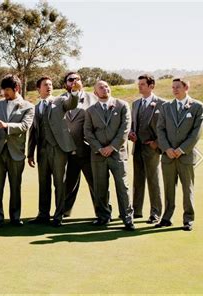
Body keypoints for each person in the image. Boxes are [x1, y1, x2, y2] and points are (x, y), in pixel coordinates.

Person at [27, 76, 80, 227]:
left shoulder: (60, 100)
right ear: (38, 88)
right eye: (45, 85)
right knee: (43, 183)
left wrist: (74, 92)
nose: (49, 87)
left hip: (58, 149)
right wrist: (30, 153)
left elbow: (72, 103)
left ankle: (58, 216)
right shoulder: (36, 107)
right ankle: (43, 214)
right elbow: (33, 131)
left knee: (59, 183)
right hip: (42, 151)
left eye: (50, 84)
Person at [84, 80, 135, 231]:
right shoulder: (90, 110)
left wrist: (112, 147)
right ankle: (103, 216)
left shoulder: (122, 105)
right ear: (95, 93)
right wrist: (100, 148)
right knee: (100, 187)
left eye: (106, 86)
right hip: (98, 155)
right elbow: (87, 132)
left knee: (122, 186)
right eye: (101, 87)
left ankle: (127, 218)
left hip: (117, 154)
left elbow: (125, 129)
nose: (105, 89)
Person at [155, 78, 203, 231]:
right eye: (173, 87)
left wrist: (181, 149)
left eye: (178, 87)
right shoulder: (166, 107)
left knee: (187, 188)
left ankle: (188, 219)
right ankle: (166, 217)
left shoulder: (197, 107)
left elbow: (196, 133)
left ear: (186, 87)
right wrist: (167, 149)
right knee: (169, 188)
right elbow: (160, 129)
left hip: (186, 156)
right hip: (167, 156)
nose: (175, 90)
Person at [0, 74, 34, 227]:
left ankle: (15, 217)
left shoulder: (28, 106)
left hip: (16, 153)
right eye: (3, 89)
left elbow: (25, 126)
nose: (4, 93)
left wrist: (7, 126)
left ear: (17, 89)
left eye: (7, 89)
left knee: (15, 187)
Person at [128, 74, 165, 224]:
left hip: (152, 148)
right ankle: (136, 211)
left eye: (142, 84)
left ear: (151, 86)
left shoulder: (162, 104)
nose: (139, 86)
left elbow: (166, 127)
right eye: (139, 84)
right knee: (138, 181)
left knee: (153, 181)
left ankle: (155, 213)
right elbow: (133, 123)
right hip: (137, 147)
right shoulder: (136, 103)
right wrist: (131, 133)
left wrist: (157, 143)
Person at [61, 72, 98, 217]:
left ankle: (102, 212)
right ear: (66, 84)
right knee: (68, 185)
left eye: (77, 79)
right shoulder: (60, 100)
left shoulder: (92, 98)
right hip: (68, 151)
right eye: (71, 80)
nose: (74, 82)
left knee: (95, 183)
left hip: (88, 150)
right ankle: (64, 212)